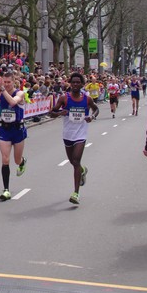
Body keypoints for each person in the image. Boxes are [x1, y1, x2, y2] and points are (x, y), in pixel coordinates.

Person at [49, 71, 99, 205]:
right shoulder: (64, 98)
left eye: (78, 82)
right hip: (68, 134)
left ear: (82, 84)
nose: (75, 84)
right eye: (73, 82)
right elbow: (51, 113)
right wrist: (60, 113)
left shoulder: (87, 99)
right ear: (70, 84)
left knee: (76, 160)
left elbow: (96, 109)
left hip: (81, 134)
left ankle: (76, 193)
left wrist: (92, 117)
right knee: (73, 162)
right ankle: (82, 170)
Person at [0, 73, 27, 201]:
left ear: (14, 82)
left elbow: (13, 102)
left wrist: (2, 90)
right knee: (5, 159)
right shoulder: (2, 93)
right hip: (5, 130)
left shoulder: (20, 93)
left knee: (16, 160)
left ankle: (22, 162)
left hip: (17, 130)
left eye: (9, 82)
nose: (7, 84)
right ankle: (6, 190)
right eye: (5, 82)